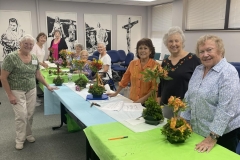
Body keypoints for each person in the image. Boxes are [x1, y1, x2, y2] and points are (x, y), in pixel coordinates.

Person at [180, 35, 240, 153]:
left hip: (222, 136)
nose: (205, 54)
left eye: (209, 50)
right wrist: (183, 120)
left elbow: (226, 109)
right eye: (201, 51)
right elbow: (189, 96)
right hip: (198, 131)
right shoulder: (198, 70)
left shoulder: (228, 72)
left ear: (220, 50)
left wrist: (212, 138)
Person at [1, 34, 56, 150]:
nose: (28, 46)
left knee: (30, 113)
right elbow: (3, 77)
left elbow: (38, 75)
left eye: (31, 44)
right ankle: (20, 139)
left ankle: (28, 134)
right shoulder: (11, 58)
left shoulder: (34, 58)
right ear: (20, 44)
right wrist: (10, 95)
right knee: (21, 115)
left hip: (31, 89)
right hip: (16, 90)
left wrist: (48, 86)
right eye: (25, 43)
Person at [157, 26, 200, 119]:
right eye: (170, 41)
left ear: (182, 42)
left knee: (181, 131)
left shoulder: (193, 59)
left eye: (176, 41)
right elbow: (161, 85)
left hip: (185, 107)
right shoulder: (165, 62)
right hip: (166, 105)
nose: (174, 44)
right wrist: (158, 103)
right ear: (166, 44)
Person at [108, 38, 159, 103]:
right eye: (140, 48)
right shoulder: (132, 63)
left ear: (150, 51)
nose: (142, 50)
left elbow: (154, 88)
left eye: (145, 48)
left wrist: (141, 101)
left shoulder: (156, 66)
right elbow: (124, 80)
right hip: (133, 100)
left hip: (148, 103)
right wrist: (116, 93)